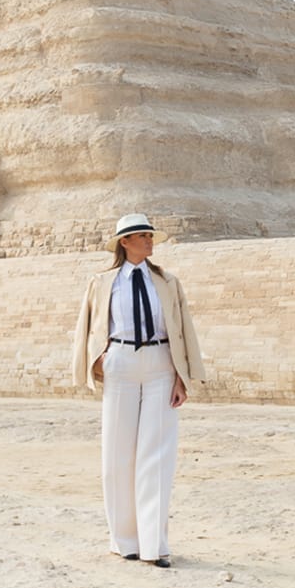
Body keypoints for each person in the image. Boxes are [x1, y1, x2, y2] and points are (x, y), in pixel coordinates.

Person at [72, 213, 206, 568]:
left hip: (161, 363)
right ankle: (124, 541)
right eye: (141, 236)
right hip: (121, 364)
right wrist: (95, 361)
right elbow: (86, 327)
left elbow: (183, 328)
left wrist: (183, 376)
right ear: (124, 243)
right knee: (117, 454)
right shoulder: (102, 282)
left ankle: (154, 546)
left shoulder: (167, 281)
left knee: (157, 454)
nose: (149, 241)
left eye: (150, 236)